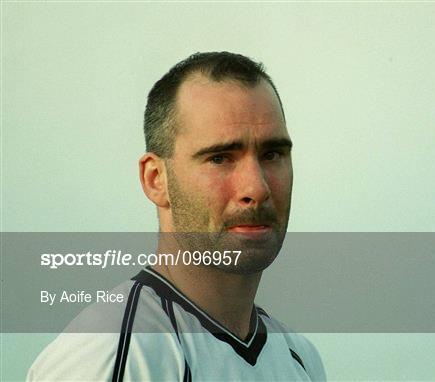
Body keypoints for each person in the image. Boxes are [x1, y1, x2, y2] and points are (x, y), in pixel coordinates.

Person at [27, 52, 326, 381]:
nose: (257, 187)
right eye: (220, 158)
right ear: (156, 179)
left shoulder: (300, 359)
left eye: (272, 154)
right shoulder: (112, 355)